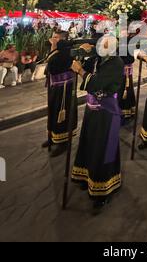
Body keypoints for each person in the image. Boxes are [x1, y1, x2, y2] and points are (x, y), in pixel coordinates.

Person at [71, 35, 124, 212]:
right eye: (101, 43)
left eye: (106, 44)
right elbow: (80, 66)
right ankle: (87, 177)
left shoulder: (116, 63)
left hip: (106, 113)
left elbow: (96, 83)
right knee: (89, 143)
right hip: (91, 111)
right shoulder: (96, 59)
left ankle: (103, 189)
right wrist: (80, 55)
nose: (102, 46)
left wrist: (80, 71)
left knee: (103, 148)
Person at [42, 31, 77, 157]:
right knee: (52, 111)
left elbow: (52, 64)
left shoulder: (66, 51)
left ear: (62, 39)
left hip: (64, 88)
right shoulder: (58, 50)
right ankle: (52, 137)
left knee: (62, 113)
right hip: (54, 86)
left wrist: (53, 47)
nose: (52, 39)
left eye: (55, 37)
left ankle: (63, 142)